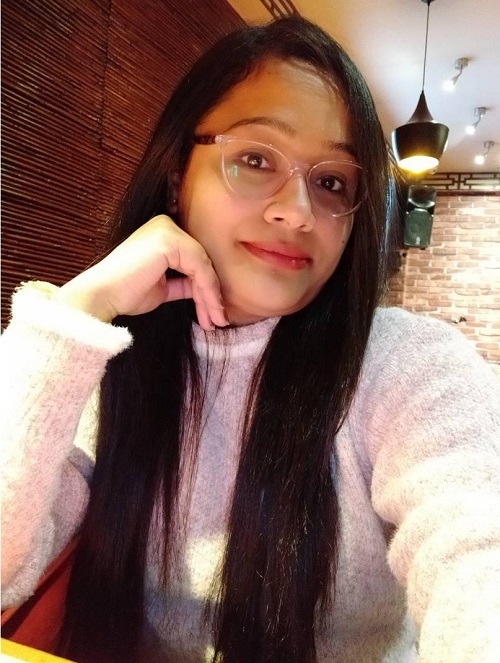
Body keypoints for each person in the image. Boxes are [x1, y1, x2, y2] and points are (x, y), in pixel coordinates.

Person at [1, 15, 499, 663]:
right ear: (177, 177)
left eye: (331, 182)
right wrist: (79, 308)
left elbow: (475, 546)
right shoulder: (106, 357)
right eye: (256, 159)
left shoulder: (406, 365)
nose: (297, 211)